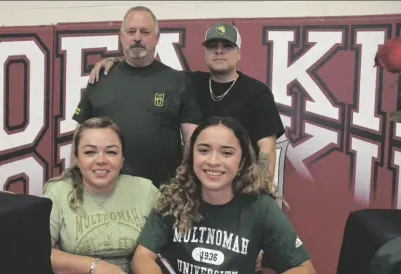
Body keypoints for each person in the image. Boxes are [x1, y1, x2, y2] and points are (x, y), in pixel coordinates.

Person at [130, 116, 318, 274]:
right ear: (191, 154)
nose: (213, 161)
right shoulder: (172, 198)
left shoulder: (261, 207)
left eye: (226, 153)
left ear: (242, 160)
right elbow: (141, 257)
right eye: (203, 150)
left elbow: (307, 273)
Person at [89, 22, 284, 184]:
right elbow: (147, 70)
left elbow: (267, 148)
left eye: (227, 46)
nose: (219, 51)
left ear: (239, 53)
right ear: (205, 53)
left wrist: (262, 190)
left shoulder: (257, 92)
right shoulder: (189, 83)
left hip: (242, 185)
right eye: (212, 46)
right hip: (202, 187)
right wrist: (116, 63)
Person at [72, 6, 202, 188]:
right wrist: (73, 178)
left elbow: (192, 139)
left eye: (145, 31)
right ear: (121, 36)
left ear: (157, 38)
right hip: (106, 189)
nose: (138, 37)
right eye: (131, 31)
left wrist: (187, 183)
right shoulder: (100, 78)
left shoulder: (178, 81)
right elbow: (80, 135)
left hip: (163, 190)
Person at [43, 117, 160, 274]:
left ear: (122, 159)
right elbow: (39, 254)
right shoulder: (58, 192)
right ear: (77, 158)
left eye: (111, 152)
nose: (101, 160)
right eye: (90, 152)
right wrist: (93, 266)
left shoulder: (145, 189)